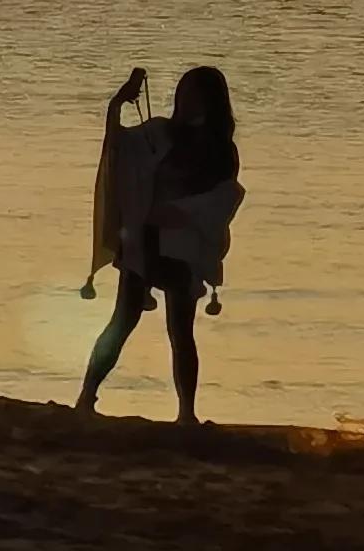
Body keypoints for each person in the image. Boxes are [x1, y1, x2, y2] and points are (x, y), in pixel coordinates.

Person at [77, 65, 242, 426]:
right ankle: (86, 396)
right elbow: (119, 146)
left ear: (212, 101)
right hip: (146, 240)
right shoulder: (161, 132)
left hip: (182, 246)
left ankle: (186, 413)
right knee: (122, 320)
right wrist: (119, 102)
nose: (186, 101)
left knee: (181, 330)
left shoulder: (220, 149)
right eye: (183, 93)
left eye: (195, 94)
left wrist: (181, 212)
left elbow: (224, 197)